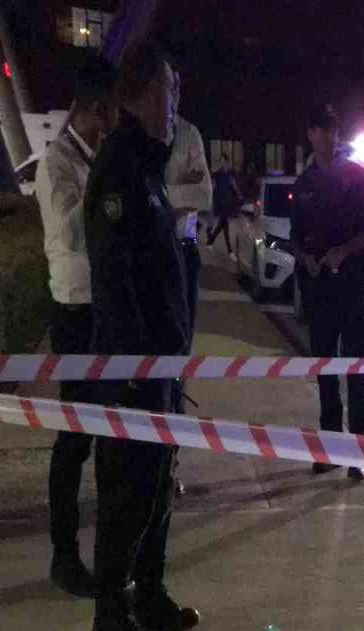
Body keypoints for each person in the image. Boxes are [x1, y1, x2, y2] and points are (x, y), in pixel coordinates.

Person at [84, 43, 198, 631]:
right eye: (169, 91)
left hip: (161, 369)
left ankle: (149, 593)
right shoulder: (120, 169)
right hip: (134, 372)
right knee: (128, 490)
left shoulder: (148, 168)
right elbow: (115, 278)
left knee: (157, 486)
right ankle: (111, 617)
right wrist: (133, 369)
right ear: (144, 94)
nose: (175, 103)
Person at [35, 59, 118, 597]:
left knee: (106, 429)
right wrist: (106, 200)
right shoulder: (57, 163)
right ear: (90, 108)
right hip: (74, 311)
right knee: (75, 434)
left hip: (103, 308)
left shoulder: (96, 158)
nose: (113, 121)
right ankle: (63, 554)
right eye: (108, 111)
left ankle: (106, 547)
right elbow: (68, 233)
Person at [288, 103, 364, 481]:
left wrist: (342, 252)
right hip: (319, 291)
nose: (330, 137)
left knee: (356, 372)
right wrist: (307, 259)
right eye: (323, 130)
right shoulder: (303, 185)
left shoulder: (355, 176)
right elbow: (294, 238)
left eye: (334, 130)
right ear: (311, 134)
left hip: (352, 288)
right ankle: (329, 450)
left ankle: (359, 452)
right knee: (326, 373)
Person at [164, 65, 213, 499]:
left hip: (183, 253)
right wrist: (176, 192)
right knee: (150, 360)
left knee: (178, 361)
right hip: (151, 255)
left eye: (177, 87)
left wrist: (160, 194)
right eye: (166, 87)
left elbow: (204, 194)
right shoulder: (140, 138)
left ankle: (170, 461)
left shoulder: (189, 135)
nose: (172, 95)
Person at [206, 157, 241, 258]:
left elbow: (234, 186)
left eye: (223, 161)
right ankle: (230, 251)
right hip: (219, 204)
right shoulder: (217, 175)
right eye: (220, 161)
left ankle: (210, 242)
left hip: (227, 203)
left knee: (222, 225)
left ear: (227, 162)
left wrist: (239, 195)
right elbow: (212, 187)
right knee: (225, 226)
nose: (222, 163)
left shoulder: (230, 175)